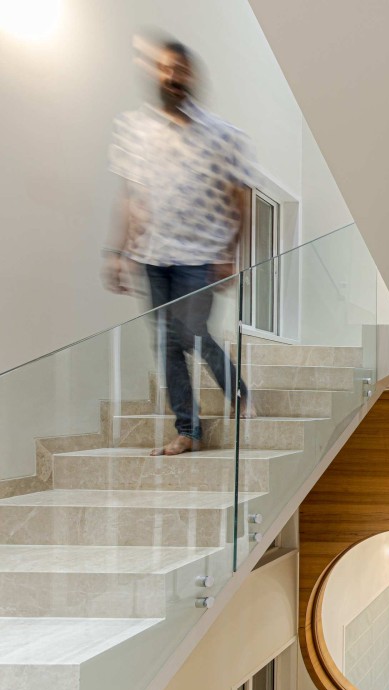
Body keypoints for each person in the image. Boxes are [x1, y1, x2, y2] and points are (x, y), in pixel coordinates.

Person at [103, 39, 255, 456]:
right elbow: (130, 196)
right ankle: (188, 430)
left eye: (181, 69)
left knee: (191, 333)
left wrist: (230, 254)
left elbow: (240, 198)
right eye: (166, 68)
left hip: (201, 257)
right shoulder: (135, 129)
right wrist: (117, 252)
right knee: (167, 342)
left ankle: (238, 392)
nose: (172, 76)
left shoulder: (222, 135)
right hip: (152, 256)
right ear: (155, 73)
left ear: (192, 77)